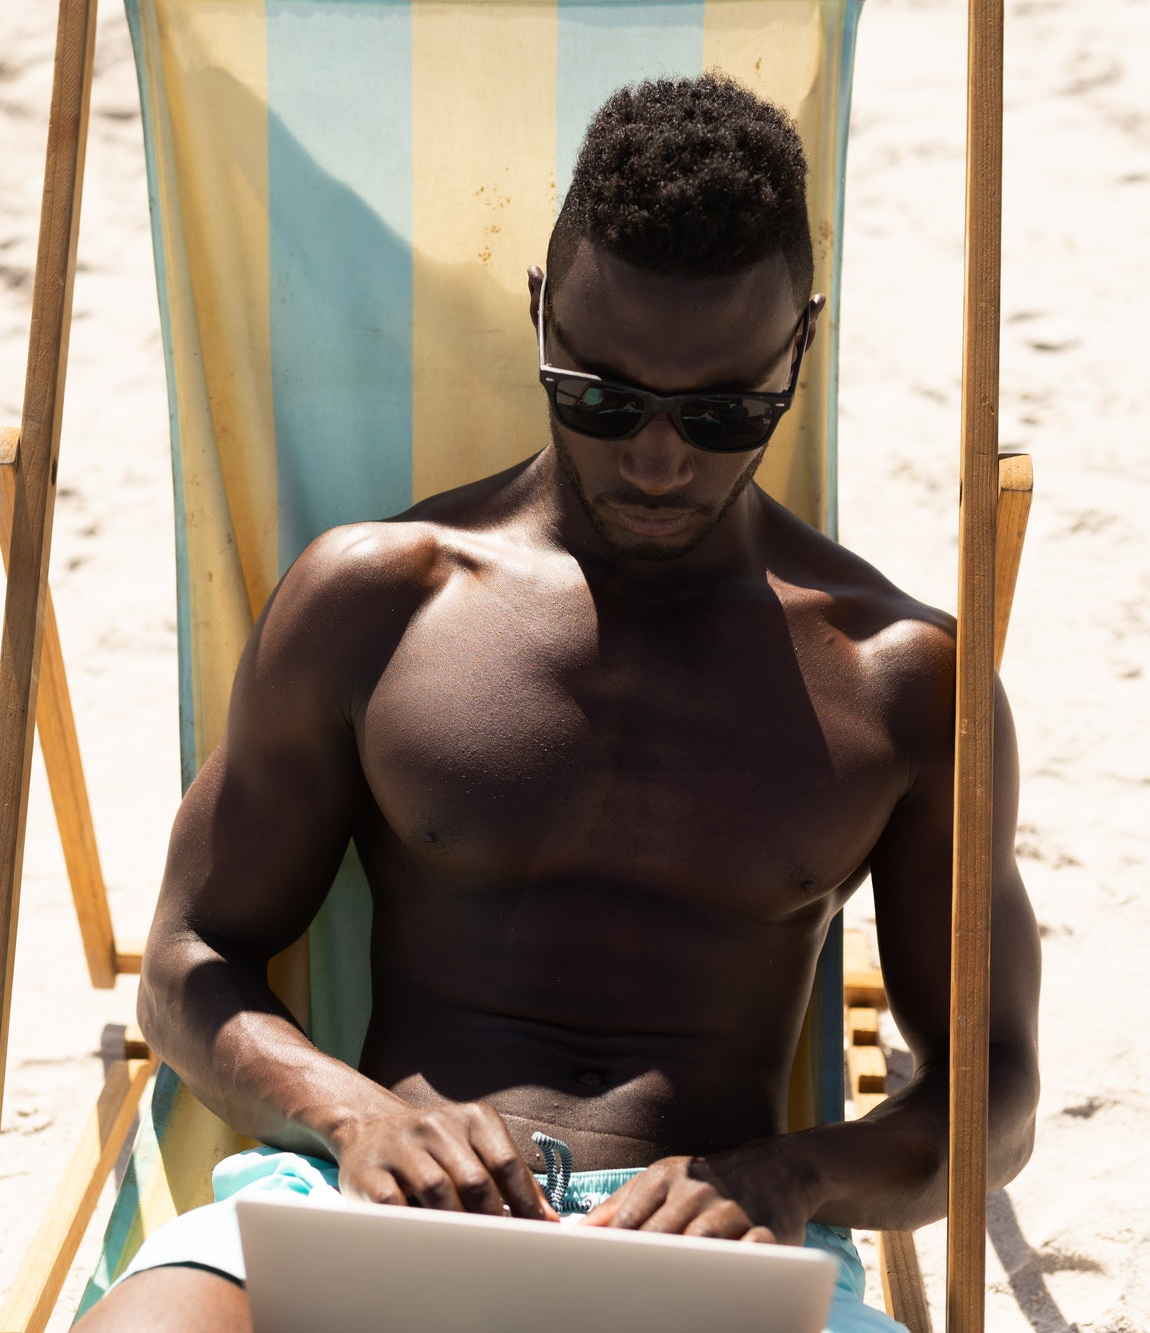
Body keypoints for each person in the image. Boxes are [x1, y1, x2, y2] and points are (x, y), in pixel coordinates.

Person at [78, 73, 1040, 1333]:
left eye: (720, 413)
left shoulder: (899, 680)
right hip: (358, 1202)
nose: (653, 459)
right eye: (599, 395)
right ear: (539, 314)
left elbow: (993, 1092)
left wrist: (790, 1173)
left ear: (799, 345)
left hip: (713, 1266)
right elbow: (187, 962)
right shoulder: (378, 599)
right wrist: (354, 1111)